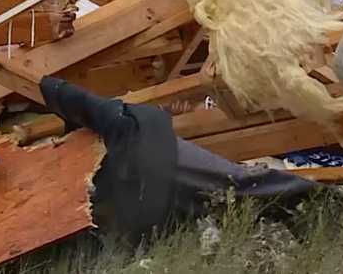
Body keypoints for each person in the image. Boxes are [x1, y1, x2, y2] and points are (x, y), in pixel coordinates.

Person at [40, 76, 317, 241]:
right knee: (239, 185)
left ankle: (318, 206)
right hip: (156, 164)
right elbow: (73, 97)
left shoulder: (84, 162)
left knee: (236, 188)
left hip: (153, 173)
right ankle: (318, 206)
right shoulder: (98, 133)